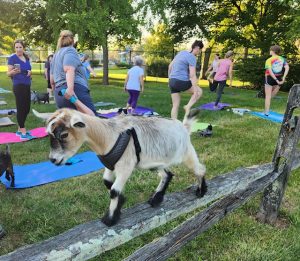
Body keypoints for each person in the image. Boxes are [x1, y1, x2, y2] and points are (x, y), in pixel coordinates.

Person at [50, 30, 96, 116]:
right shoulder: (70, 50)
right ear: (73, 40)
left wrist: (55, 92)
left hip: (59, 92)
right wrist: (70, 89)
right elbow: (68, 69)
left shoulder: (56, 55)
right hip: (74, 90)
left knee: (72, 125)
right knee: (93, 121)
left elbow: (52, 80)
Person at [168, 40, 204, 119]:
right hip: (181, 81)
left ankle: (174, 125)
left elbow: (170, 66)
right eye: (200, 50)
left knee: (175, 105)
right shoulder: (192, 57)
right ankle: (188, 106)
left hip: (172, 81)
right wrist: (195, 89)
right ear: (197, 48)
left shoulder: (181, 52)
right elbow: (192, 75)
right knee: (199, 92)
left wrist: (169, 80)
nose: (200, 52)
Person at [7, 39, 34, 139]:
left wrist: (30, 72)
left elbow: (29, 69)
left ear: (23, 48)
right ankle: (23, 131)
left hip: (27, 84)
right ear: (14, 48)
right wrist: (14, 71)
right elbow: (8, 73)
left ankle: (19, 129)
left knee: (26, 108)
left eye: (20, 47)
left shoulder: (26, 57)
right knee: (21, 107)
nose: (18, 49)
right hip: (18, 85)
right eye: (16, 47)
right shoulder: (12, 58)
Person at [264, 45, 289, 116]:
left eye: (270, 50)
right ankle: (267, 108)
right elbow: (287, 67)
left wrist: (276, 79)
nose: (269, 51)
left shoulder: (269, 60)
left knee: (268, 96)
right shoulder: (282, 59)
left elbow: (270, 71)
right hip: (279, 78)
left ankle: (266, 112)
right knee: (271, 96)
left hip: (270, 78)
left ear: (273, 51)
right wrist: (283, 77)